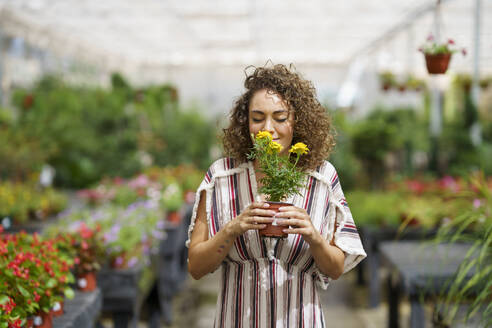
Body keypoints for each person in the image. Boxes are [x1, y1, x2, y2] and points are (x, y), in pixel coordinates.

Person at [186, 64, 366, 327]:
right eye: (257, 118)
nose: (267, 128)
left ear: (297, 120)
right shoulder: (221, 177)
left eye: (280, 118)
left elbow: (336, 269)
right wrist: (233, 228)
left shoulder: (322, 179)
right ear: (244, 121)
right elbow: (196, 266)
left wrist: (313, 236)